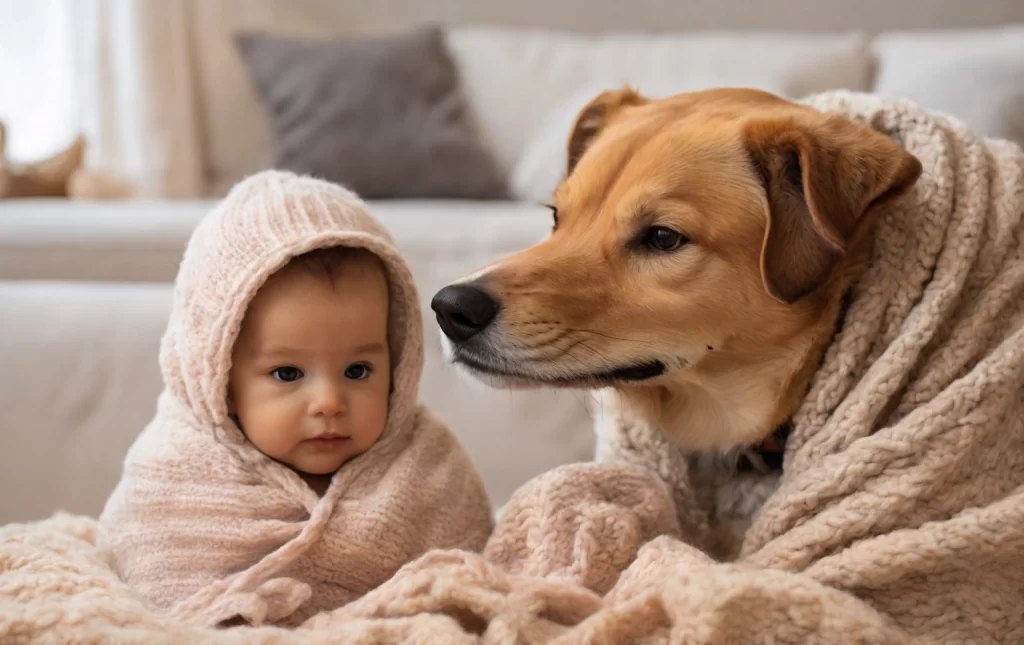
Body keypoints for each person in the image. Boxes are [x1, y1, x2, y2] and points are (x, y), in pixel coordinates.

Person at [98, 170, 493, 628]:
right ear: (218, 378)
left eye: (357, 371)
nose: (328, 401)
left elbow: (471, 582)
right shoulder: (171, 477)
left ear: (397, 363)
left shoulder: (428, 468)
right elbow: (153, 595)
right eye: (288, 373)